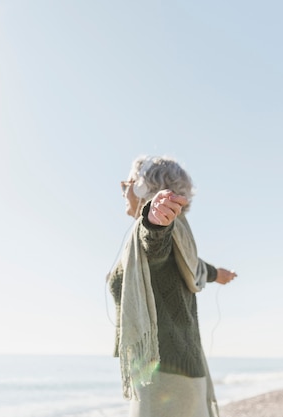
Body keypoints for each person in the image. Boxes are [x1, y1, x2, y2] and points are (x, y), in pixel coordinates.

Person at [107, 155, 237, 417]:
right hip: (180, 367)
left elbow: (155, 245)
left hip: (164, 373)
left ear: (143, 187)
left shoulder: (161, 228)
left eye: (127, 185)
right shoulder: (181, 240)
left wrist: (155, 222)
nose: (123, 191)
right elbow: (193, 265)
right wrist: (216, 274)